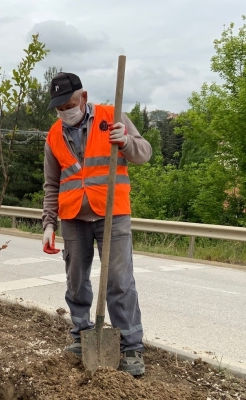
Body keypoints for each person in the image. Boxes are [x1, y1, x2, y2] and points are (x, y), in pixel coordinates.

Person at [41, 72, 152, 377]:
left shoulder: (111, 117)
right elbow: (52, 184)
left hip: (112, 213)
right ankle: (81, 333)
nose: (65, 111)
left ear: (84, 97)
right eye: (59, 108)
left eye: (69, 104)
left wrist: (126, 141)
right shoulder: (53, 135)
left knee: (119, 280)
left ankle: (130, 346)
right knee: (76, 280)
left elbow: (145, 153)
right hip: (73, 217)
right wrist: (49, 224)